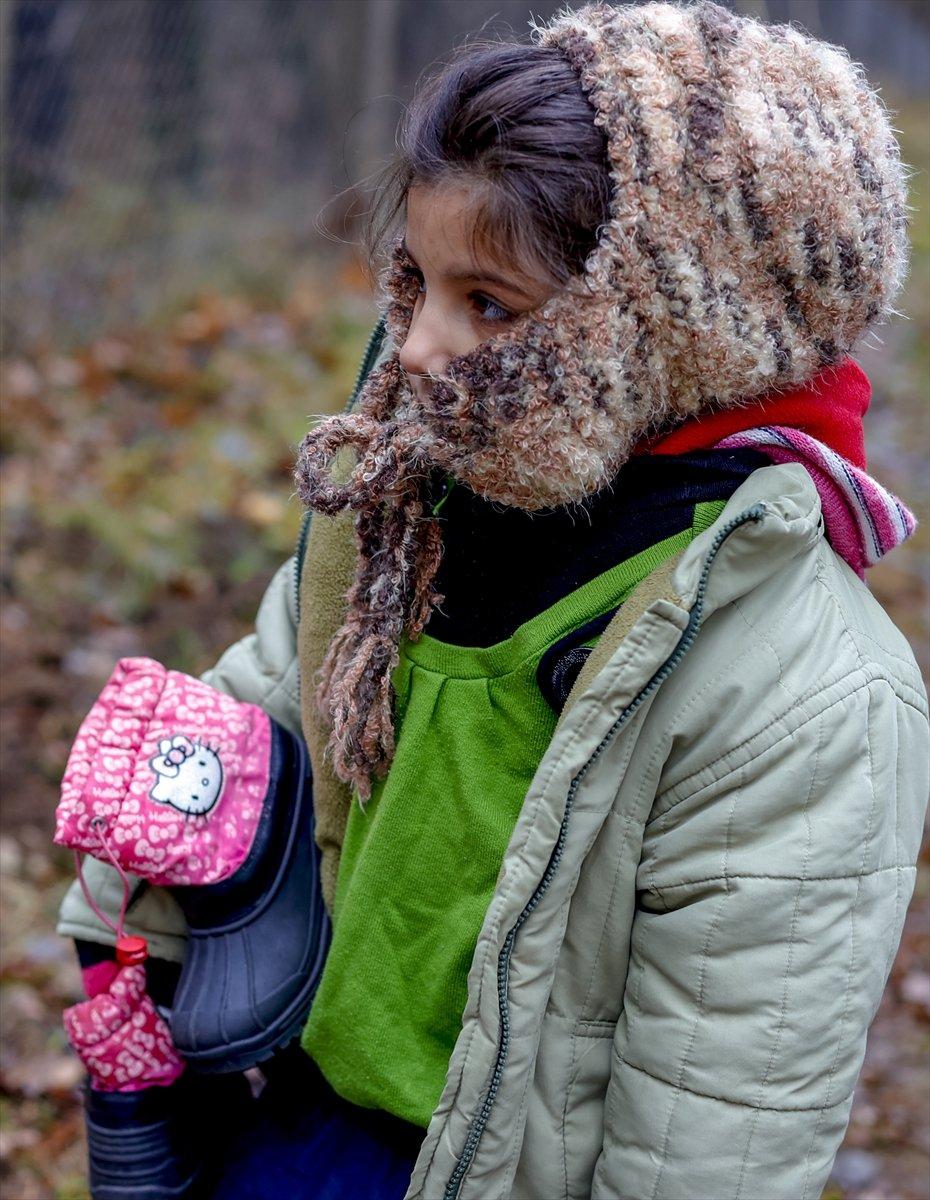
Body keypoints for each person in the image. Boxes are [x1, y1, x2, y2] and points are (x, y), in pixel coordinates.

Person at [57, 3, 929, 1198]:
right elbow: (256, 732)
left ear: (675, 335)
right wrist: (136, 962)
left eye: (493, 306)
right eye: (415, 283)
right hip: (282, 1112)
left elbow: (713, 1130)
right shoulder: (412, 504)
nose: (415, 351)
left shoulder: (802, 693)